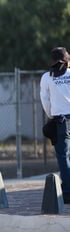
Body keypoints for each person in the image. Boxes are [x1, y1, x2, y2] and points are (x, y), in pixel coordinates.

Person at [40, 46, 70, 203]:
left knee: (64, 157)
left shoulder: (47, 77)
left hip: (61, 121)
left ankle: (67, 193)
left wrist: (51, 115)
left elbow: (45, 101)